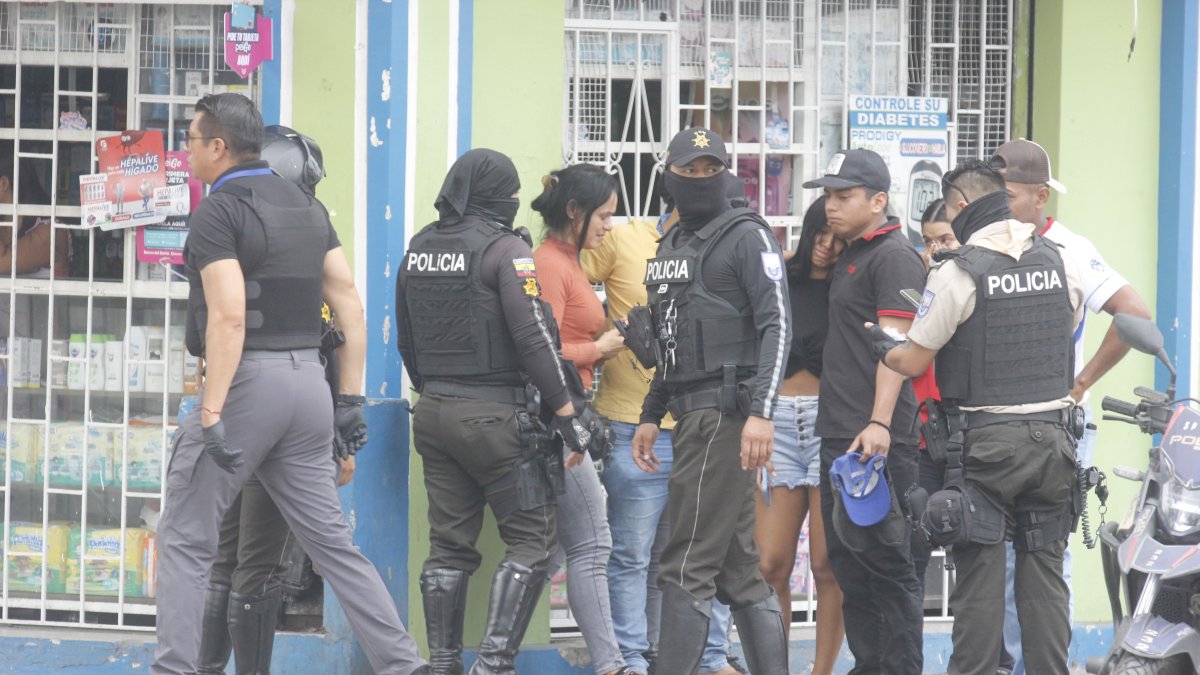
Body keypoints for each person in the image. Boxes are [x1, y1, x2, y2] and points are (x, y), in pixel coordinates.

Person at [151, 93, 428, 675]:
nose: (187, 150)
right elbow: (348, 301)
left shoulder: (218, 212)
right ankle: (405, 666)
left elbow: (227, 316)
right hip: (309, 388)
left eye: (192, 140)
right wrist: (349, 401)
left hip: (247, 384)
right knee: (334, 546)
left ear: (218, 146)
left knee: (185, 540)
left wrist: (212, 410)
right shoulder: (306, 204)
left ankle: (172, 669)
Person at [874, 158, 1085, 675]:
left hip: (987, 449)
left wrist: (883, 347)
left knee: (980, 588)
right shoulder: (1061, 260)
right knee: (1045, 587)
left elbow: (915, 359)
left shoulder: (958, 272)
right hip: (1055, 443)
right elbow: (1069, 324)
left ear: (962, 207)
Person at [397, 148, 592, 675]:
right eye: (509, 195)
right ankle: (492, 665)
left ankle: (441, 664)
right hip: (496, 418)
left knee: (448, 546)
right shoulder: (507, 251)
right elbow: (534, 338)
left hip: (434, 412)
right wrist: (567, 414)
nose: (513, 203)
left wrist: (434, 391)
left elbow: (406, 337)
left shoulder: (418, 248)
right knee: (533, 540)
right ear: (495, 197)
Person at [195, 125, 357, 675]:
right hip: (282, 425)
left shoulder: (225, 242)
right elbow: (326, 355)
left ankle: (205, 668)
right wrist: (338, 436)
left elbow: (206, 337)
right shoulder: (299, 266)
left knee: (222, 558)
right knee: (258, 565)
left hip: (227, 415)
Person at [989, 139, 1152, 675]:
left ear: (1040, 197)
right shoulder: (982, 243)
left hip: (1055, 428)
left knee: (1041, 559)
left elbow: (1134, 313)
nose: (997, 205)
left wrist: (1080, 382)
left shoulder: (1070, 249)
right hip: (991, 427)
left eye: (1007, 196)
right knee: (991, 560)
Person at [632, 126, 790, 675]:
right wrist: (651, 413)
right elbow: (674, 339)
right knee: (736, 569)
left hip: (727, 417)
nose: (700, 179)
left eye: (710, 169)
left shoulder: (746, 235)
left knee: (685, 562)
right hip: (691, 412)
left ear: (725, 173)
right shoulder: (673, 242)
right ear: (669, 176)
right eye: (689, 171)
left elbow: (777, 325)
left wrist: (761, 413)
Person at [582, 188, 745, 675]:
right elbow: (565, 281)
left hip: (706, 427)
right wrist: (594, 344)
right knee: (632, 553)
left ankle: (701, 658)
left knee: (697, 553)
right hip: (633, 422)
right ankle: (630, 658)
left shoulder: (729, 248)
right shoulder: (626, 238)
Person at [802, 148, 927, 675]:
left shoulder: (893, 255)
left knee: (888, 567)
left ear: (878, 201)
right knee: (851, 567)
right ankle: (870, 666)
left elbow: (896, 353)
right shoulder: (854, 253)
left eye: (844, 196)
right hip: (842, 434)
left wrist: (878, 423)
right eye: (828, 195)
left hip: (878, 438)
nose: (831, 206)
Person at [529, 163, 638, 675]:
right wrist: (597, 347)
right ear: (574, 211)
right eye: (603, 215)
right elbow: (537, 350)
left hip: (570, 419)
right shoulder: (549, 263)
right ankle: (612, 665)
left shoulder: (571, 261)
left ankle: (494, 655)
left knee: (548, 553)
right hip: (559, 423)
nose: (609, 227)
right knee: (593, 543)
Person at [752, 195, 845, 675]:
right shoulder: (779, 282)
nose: (826, 247)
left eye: (835, 238)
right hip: (779, 423)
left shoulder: (851, 285)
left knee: (829, 564)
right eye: (818, 236)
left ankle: (821, 671)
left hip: (833, 424)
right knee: (770, 564)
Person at [0, 146, 69, 278]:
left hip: (45, 299)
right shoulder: (4, 223)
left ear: (4, 184)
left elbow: (2, 263)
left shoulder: (49, 229)